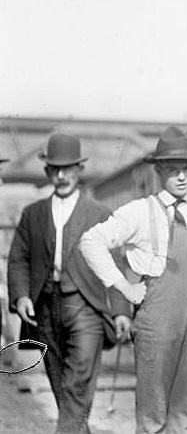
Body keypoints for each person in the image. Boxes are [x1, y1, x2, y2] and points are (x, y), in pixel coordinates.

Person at [79, 126, 187, 433]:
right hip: (155, 321)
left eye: (186, 170)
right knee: (153, 411)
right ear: (159, 170)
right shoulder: (139, 212)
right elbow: (91, 241)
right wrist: (123, 286)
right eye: (172, 170)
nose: (180, 177)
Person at [6, 133, 132, 433]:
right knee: (61, 384)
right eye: (55, 169)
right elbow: (19, 258)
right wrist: (22, 296)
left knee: (78, 384)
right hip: (44, 310)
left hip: (86, 306)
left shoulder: (99, 214)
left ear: (80, 169)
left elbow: (116, 264)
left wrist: (121, 310)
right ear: (47, 172)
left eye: (68, 169)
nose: (62, 176)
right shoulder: (32, 214)